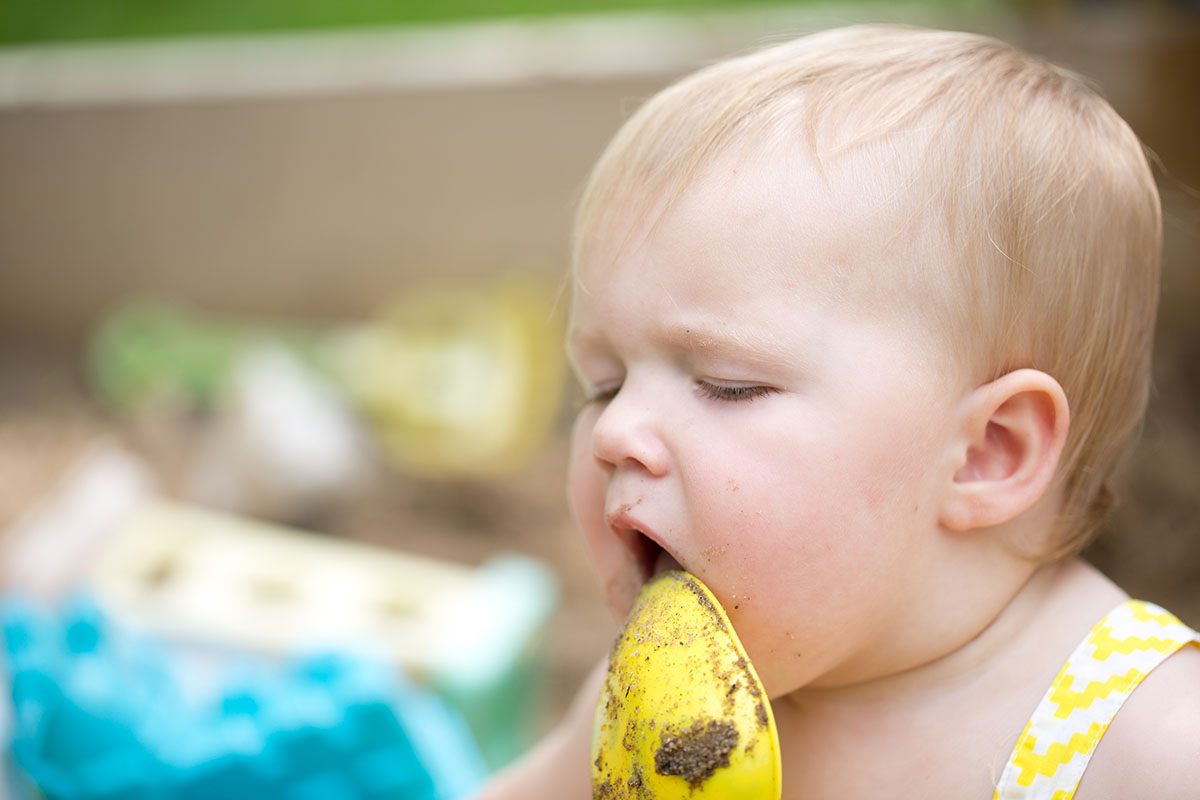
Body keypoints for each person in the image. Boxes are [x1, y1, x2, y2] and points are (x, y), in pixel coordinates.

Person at [473, 24, 1200, 799]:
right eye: (603, 385)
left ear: (988, 450)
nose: (613, 433)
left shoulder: (1152, 749)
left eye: (727, 384)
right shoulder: (650, 718)